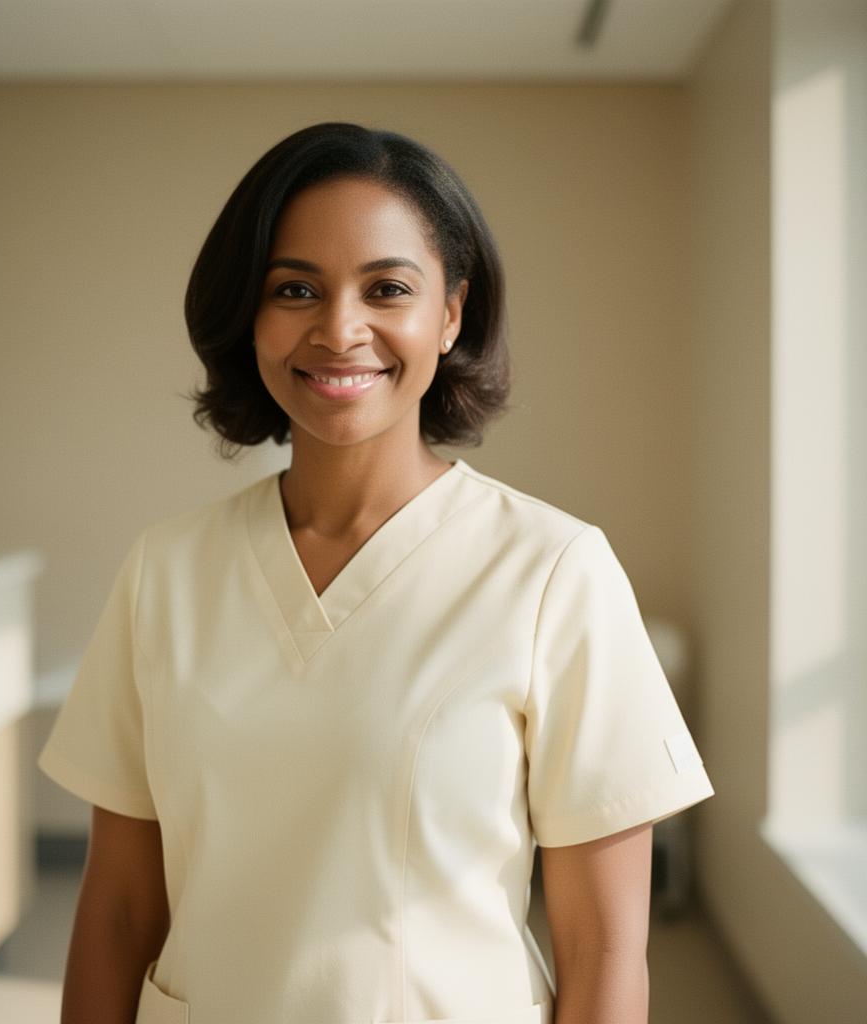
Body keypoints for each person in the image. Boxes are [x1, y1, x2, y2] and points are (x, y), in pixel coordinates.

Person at [37, 121, 714, 1024]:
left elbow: (603, 949)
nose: (339, 329)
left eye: (387, 287)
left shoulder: (552, 571)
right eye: (295, 289)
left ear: (451, 313)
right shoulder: (166, 571)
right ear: (251, 314)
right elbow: (119, 912)